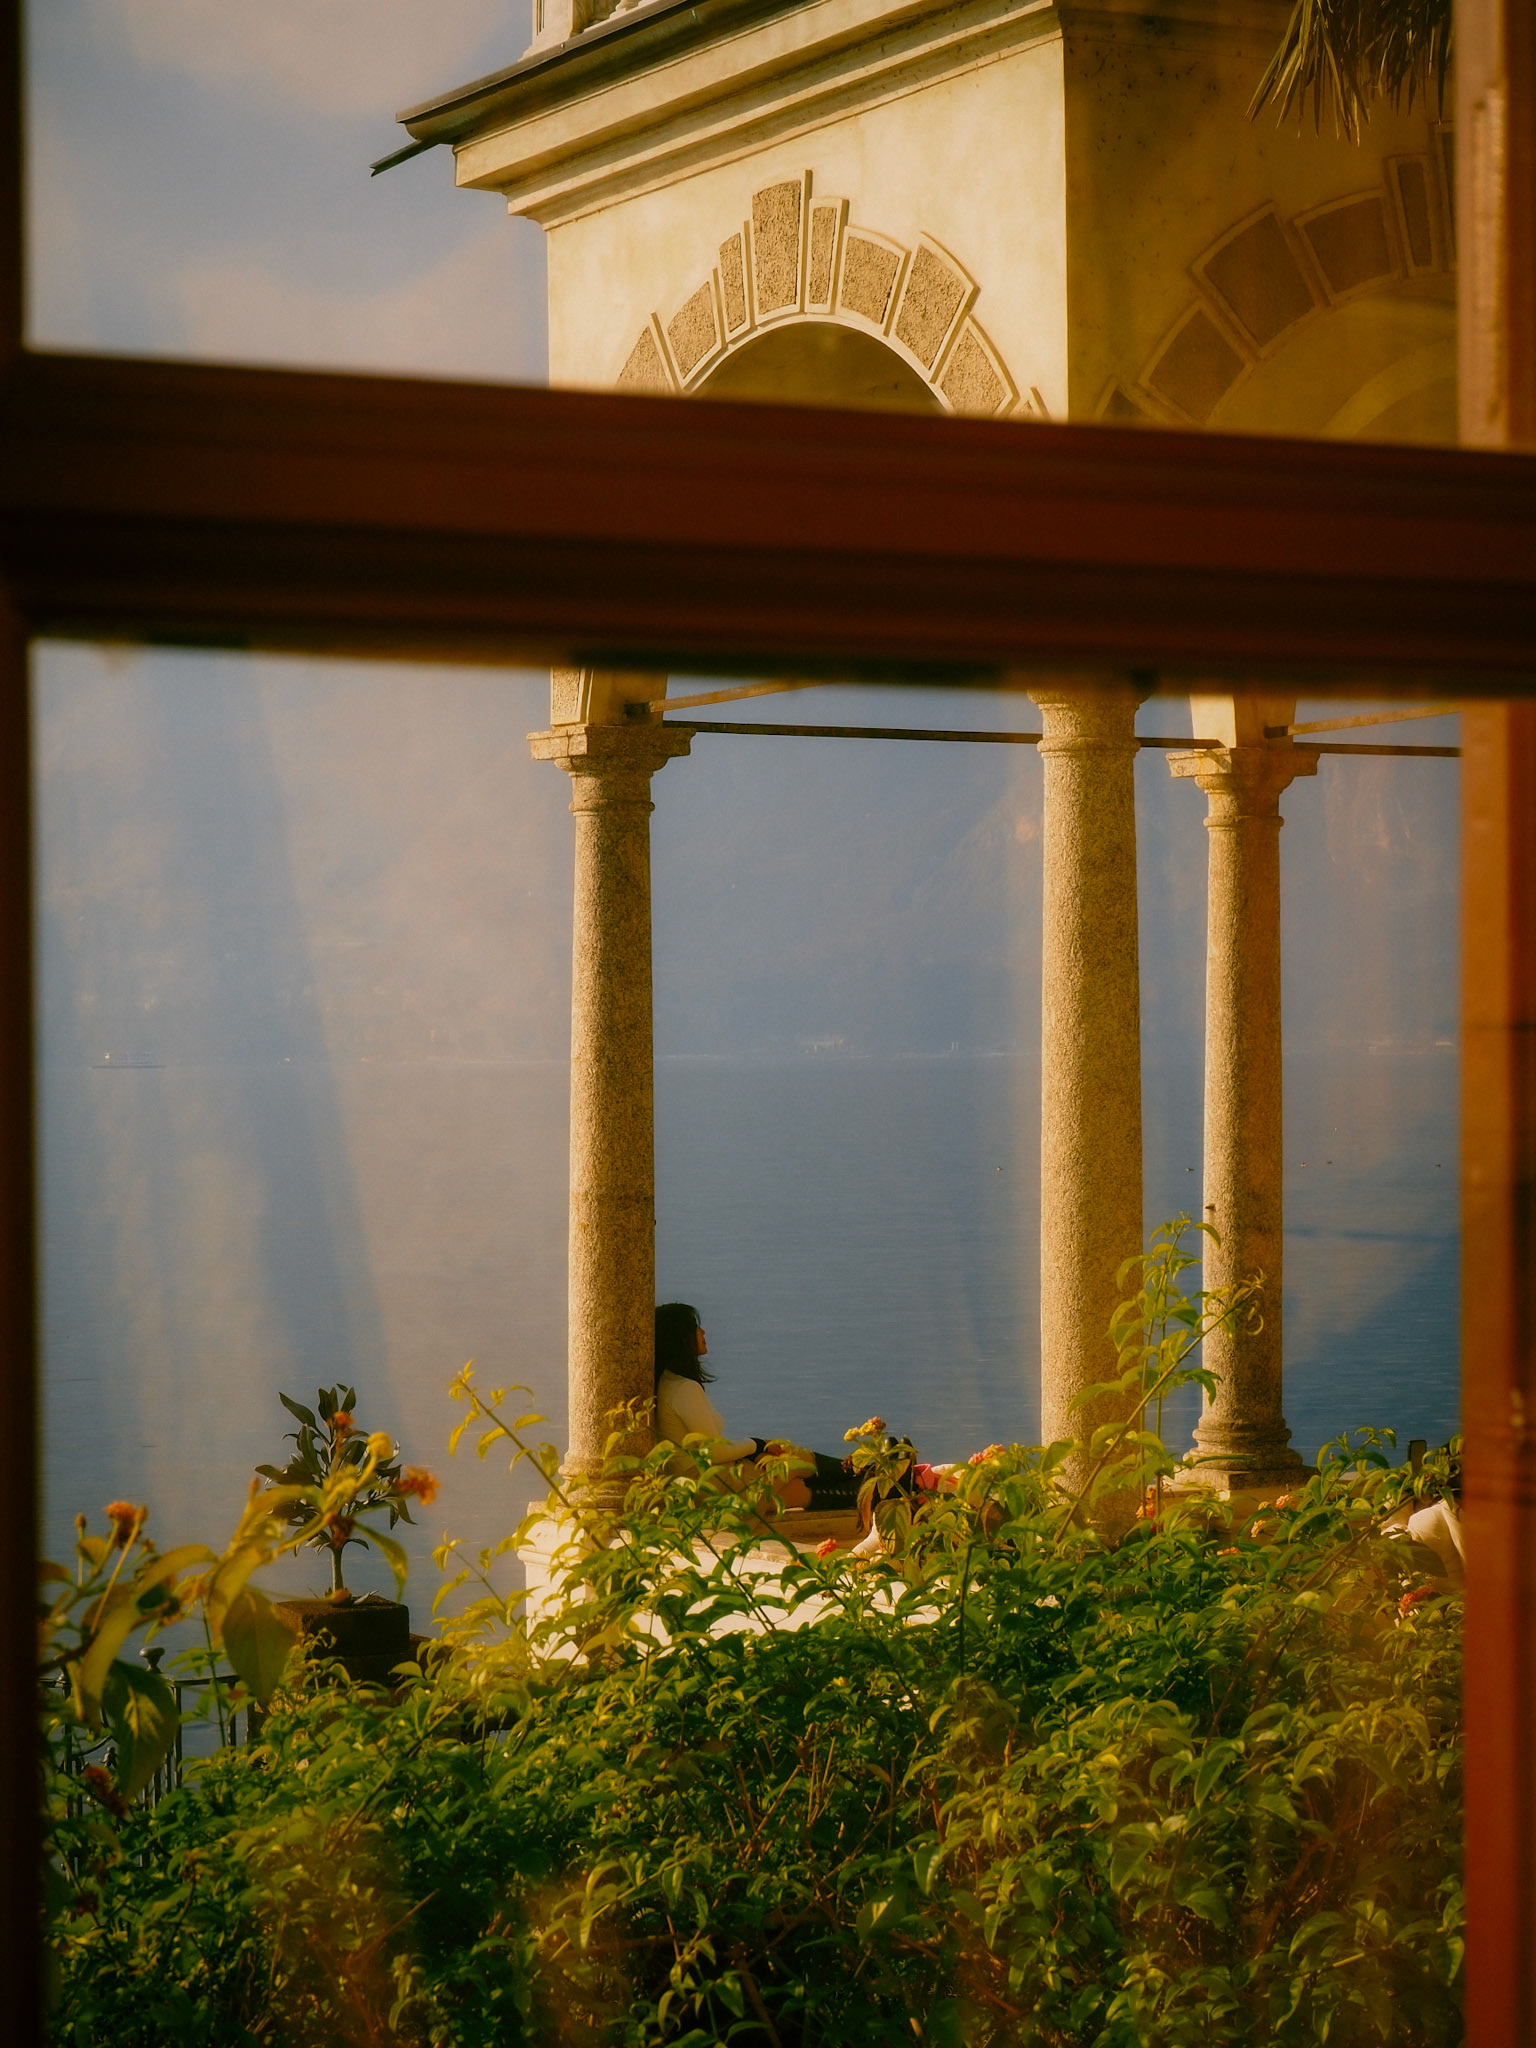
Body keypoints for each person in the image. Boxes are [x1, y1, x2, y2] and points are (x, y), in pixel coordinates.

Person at [653, 1302, 861, 1511]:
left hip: (696, 1487)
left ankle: (875, 1480)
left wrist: (752, 1451)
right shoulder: (684, 1389)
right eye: (694, 1327)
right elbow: (713, 1453)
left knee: (792, 1484)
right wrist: (756, 1444)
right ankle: (873, 1474)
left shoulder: (668, 1383)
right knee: (788, 1460)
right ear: (679, 1338)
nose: (703, 1332)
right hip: (710, 1484)